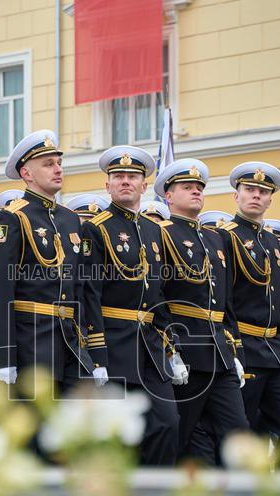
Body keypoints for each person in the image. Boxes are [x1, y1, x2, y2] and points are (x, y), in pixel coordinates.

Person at [79, 145, 186, 465]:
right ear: (107, 185)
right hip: (114, 343)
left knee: (168, 422)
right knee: (117, 435)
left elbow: (159, 295)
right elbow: (89, 293)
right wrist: (96, 355)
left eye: (133, 176)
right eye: (118, 176)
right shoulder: (95, 228)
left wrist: (172, 349)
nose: (125, 181)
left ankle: (155, 495)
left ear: (143, 185)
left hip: (150, 346)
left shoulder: (154, 230)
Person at [0, 129, 95, 393]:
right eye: (48, 164)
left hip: (69, 343)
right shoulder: (12, 218)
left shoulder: (69, 219)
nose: (58, 169)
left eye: (59, 163)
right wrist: (3, 356)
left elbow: (78, 286)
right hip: (31, 344)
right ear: (27, 174)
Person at [154, 158, 248, 464]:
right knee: (185, 434)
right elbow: (158, 295)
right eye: (187, 187)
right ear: (168, 196)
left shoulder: (214, 238)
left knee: (238, 431)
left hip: (218, 352)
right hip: (187, 348)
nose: (196, 192)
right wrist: (170, 350)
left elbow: (225, 302)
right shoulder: (160, 232)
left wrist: (233, 351)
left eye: (199, 187)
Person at [216, 162, 280, 443]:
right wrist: (233, 349)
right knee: (245, 431)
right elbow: (224, 299)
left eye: (263, 192)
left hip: (276, 351)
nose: (256, 196)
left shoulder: (270, 239)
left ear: (270, 199)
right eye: (249, 189)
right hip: (245, 348)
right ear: (236, 196)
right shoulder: (224, 236)